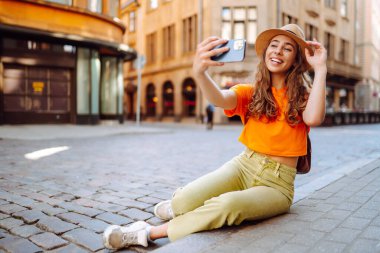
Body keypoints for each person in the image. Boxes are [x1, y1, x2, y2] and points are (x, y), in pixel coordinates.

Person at [102, 24, 327, 250]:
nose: (277, 51)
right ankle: (181, 206)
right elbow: (220, 98)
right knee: (183, 200)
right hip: (244, 165)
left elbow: (314, 118)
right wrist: (200, 73)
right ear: (266, 51)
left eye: (287, 48)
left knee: (227, 205)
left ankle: (146, 233)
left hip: (277, 185)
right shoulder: (251, 92)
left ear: (296, 59)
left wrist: (320, 69)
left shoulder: (304, 97)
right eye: (274, 45)